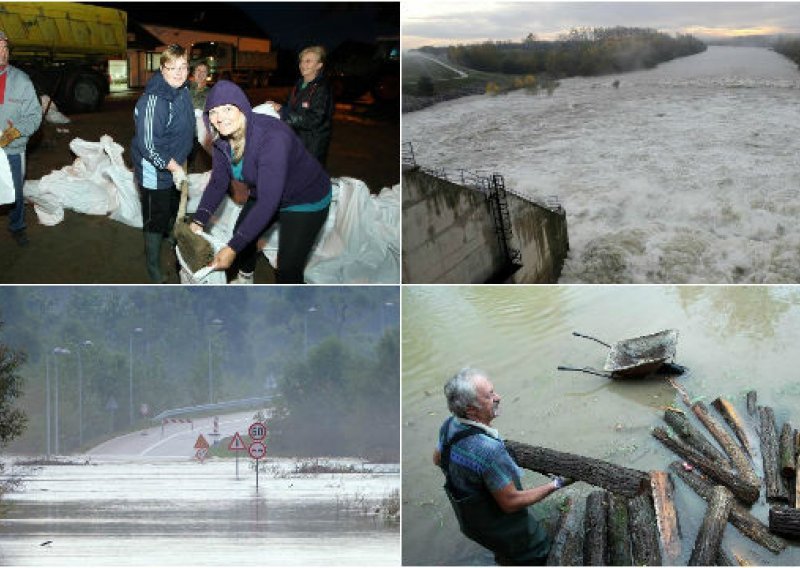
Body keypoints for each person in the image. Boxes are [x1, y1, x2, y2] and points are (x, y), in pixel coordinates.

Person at [190, 80, 331, 284]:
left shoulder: (272, 138)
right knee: (243, 232)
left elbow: (268, 202)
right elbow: (218, 182)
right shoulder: (222, 140)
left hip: (304, 198)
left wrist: (231, 249)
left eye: (227, 108)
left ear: (243, 108)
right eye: (213, 112)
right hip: (265, 188)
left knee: (288, 267)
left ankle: (299, 308)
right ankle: (246, 276)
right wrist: (198, 220)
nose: (220, 118)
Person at [434, 367, 572, 566]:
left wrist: (473, 477)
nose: (498, 397)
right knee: (537, 549)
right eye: (490, 396)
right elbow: (510, 503)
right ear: (472, 410)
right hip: (501, 526)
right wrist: (556, 484)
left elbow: (437, 459)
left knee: (503, 547)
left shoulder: (449, 425)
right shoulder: (489, 450)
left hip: (471, 524)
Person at [131, 44, 195, 283]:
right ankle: (153, 266)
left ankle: (167, 233)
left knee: (170, 205)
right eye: (172, 68)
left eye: (183, 67)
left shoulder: (182, 90)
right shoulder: (154, 100)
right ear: (161, 68)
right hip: (154, 171)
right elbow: (148, 145)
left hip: (174, 165)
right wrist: (175, 167)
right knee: (154, 217)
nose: (179, 73)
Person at [0, 30, 42, 247]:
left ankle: (17, 226)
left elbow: (35, 115)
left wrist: (15, 131)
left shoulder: (21, 80)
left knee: (16, 192)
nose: (3, 52)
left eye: (5, 47)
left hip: (12, 150)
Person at [267, 45, 333, 166]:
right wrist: (276, 106)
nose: (302, 65)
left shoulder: (322, 88)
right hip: (296, 139)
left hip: (312, 144)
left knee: (308, 178)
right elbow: (292, 107)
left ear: (319, 65)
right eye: (301, 61)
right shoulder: (300, 83)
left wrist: (283, 111)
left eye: (308, 61)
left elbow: (315, 119)